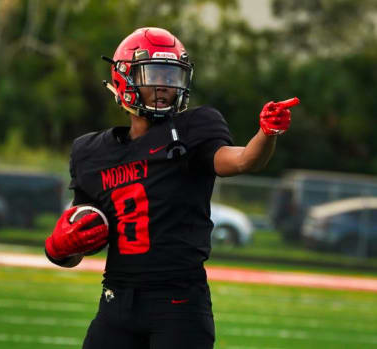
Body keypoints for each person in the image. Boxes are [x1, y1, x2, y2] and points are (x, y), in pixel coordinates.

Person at [44, 27, 299, 349]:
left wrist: (267, 134)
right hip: (115, 301)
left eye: (172, 75)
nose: (164, 84)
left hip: (178, 304)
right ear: (125, 78)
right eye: (154, 74)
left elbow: (242, 162)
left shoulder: (193, 128)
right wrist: (57, 247)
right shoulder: (91, 151)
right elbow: (78, 239)